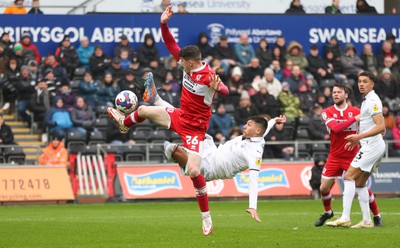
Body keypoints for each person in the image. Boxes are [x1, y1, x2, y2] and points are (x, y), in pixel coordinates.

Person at [107, 5, 228, 236]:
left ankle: (206, 218)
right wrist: (163, 23)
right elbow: (171, 44)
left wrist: (218, 89)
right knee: (143, 110)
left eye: (181, 61)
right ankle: (125, 122)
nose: (178, 62)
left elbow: (225, 90)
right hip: (180, 116)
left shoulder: (207, 74)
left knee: (194, 171)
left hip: (195, 130)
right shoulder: (187, 64)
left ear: (190, 62)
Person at [164, 115, 286, 222]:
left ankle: (172, 154)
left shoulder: (255, 154)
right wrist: (275, 120)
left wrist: (252, 206)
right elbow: (266, 127)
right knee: (194, 127)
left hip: (211, 168)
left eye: (248, 125)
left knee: (172, 149)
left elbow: (254, 180)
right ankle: (165, 111)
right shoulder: (258, 134)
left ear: (257, 130)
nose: (244, 126)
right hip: (212, 151)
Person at [315, 82, 382, 227]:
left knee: (361, 185)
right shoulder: (327, 112)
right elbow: (336, 128)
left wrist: (380, 129)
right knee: (323, 188)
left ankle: (376, 215)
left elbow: (374, 125)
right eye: (334, 92)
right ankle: (328, 213)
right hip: (334, 155)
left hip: (352, 155)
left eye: (339, 92)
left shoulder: (357, 110)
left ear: (346, 95)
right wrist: (354, 119)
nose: (335, 95)